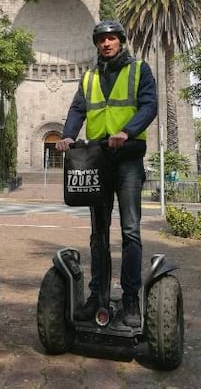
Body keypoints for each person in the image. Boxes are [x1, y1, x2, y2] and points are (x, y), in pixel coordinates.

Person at [56, 20, 157, 326]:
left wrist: (127, 132)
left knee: (130, 231)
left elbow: (149, 106)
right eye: (101, 40)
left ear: (121, 41)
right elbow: (77, 110)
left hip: (127, 159)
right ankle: (97, 296)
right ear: (97, 44)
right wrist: (68, 135)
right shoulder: (88, 77)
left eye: (112, 38)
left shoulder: (140, 70)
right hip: (97, 160)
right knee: (98, 234)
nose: (106, 43)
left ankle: (130, 300)